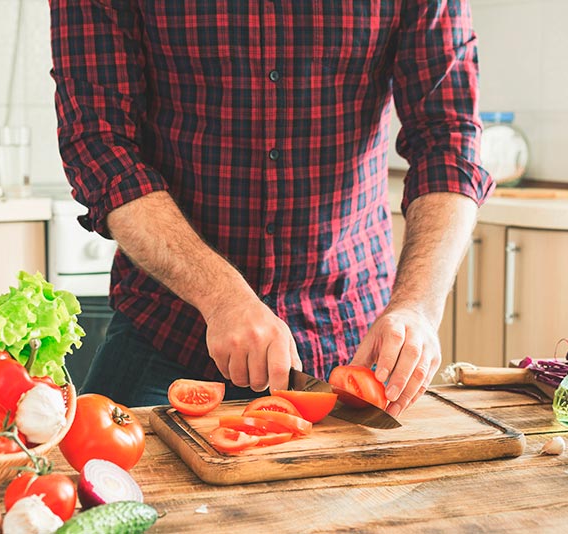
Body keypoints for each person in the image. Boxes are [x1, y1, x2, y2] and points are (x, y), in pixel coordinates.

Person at [49, 0, 494, 416]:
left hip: (353, 343)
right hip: (169, 334)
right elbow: (100, 144)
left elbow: (448, 141)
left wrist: (417, 306)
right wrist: (220, 296)